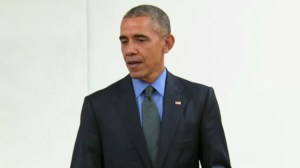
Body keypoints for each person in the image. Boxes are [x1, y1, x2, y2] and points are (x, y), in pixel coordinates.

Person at [70, 4, 231, 168]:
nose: (129, 50)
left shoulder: (200, 99)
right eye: (124, 41)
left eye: (140, 40)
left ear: (167, 43)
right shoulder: (98, 106)